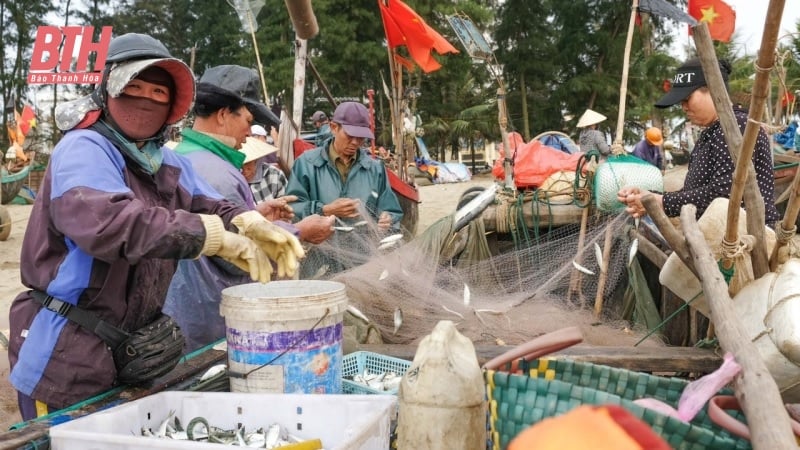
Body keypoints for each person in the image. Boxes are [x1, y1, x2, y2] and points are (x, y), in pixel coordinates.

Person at [7, 34, 302, 419]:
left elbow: (207, 200)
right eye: (133, 86)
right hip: (65, 353)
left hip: (129, 350)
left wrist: (246, 220)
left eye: (158, 92)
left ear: (172, 105)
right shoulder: (83, 148)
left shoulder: (161, 159)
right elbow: (109, 223)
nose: (145, 99)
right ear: (107, 90)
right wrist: (210, 237)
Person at [163, 65, 333, 351]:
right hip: (212, 318)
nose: (250, 132)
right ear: (222, 115)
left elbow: (212, 227)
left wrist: (256, 213)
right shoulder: (220, 173)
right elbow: (237, 254)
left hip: (182, 308)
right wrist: (298, 230)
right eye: (247, 119)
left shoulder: (180, 156)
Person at [617, 58, 779, 228]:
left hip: (744, 237)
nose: (683, 107)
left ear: (713, 90)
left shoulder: (736, 127)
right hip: (717, 232)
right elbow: (693, 194)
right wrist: (650, 198)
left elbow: (724, 195)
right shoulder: (712, 132)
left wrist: (662, 201)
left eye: (687, 99)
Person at [287, 101, 403, 275]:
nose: (356, 142)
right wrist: (324, 210)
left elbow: (392, 210)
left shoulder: (375, 168)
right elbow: (291, 211)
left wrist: (388, 218)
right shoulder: (306, 164)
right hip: (317, 263)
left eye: (361, 138)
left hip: (364, 264)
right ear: (334, 127)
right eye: (350, 136)